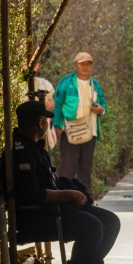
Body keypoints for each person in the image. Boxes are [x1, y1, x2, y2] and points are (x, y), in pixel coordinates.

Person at [11, 101, 122, 264]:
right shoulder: (21, 152)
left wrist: (72, 190)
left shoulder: (34, 147)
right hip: (35, 217)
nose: (47, 123)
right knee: (92, 226)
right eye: (46, 119)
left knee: (110, 221)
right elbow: (32, 195)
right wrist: (68, 195)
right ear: (39, 122)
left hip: (51, 210)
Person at [51, 52, 107, 195]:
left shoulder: (96, 85)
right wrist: (57, 125)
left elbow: (103, 104)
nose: (85, 67)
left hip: (91, 131)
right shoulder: (66, 83)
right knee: (67, 168)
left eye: (88, 64)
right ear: (75, 65)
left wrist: (101, 110)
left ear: (92, 66)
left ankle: (86, 201)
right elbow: (57, 105)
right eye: (82, 64)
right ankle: (66, 200)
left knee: (85, 169)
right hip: (70, 131)